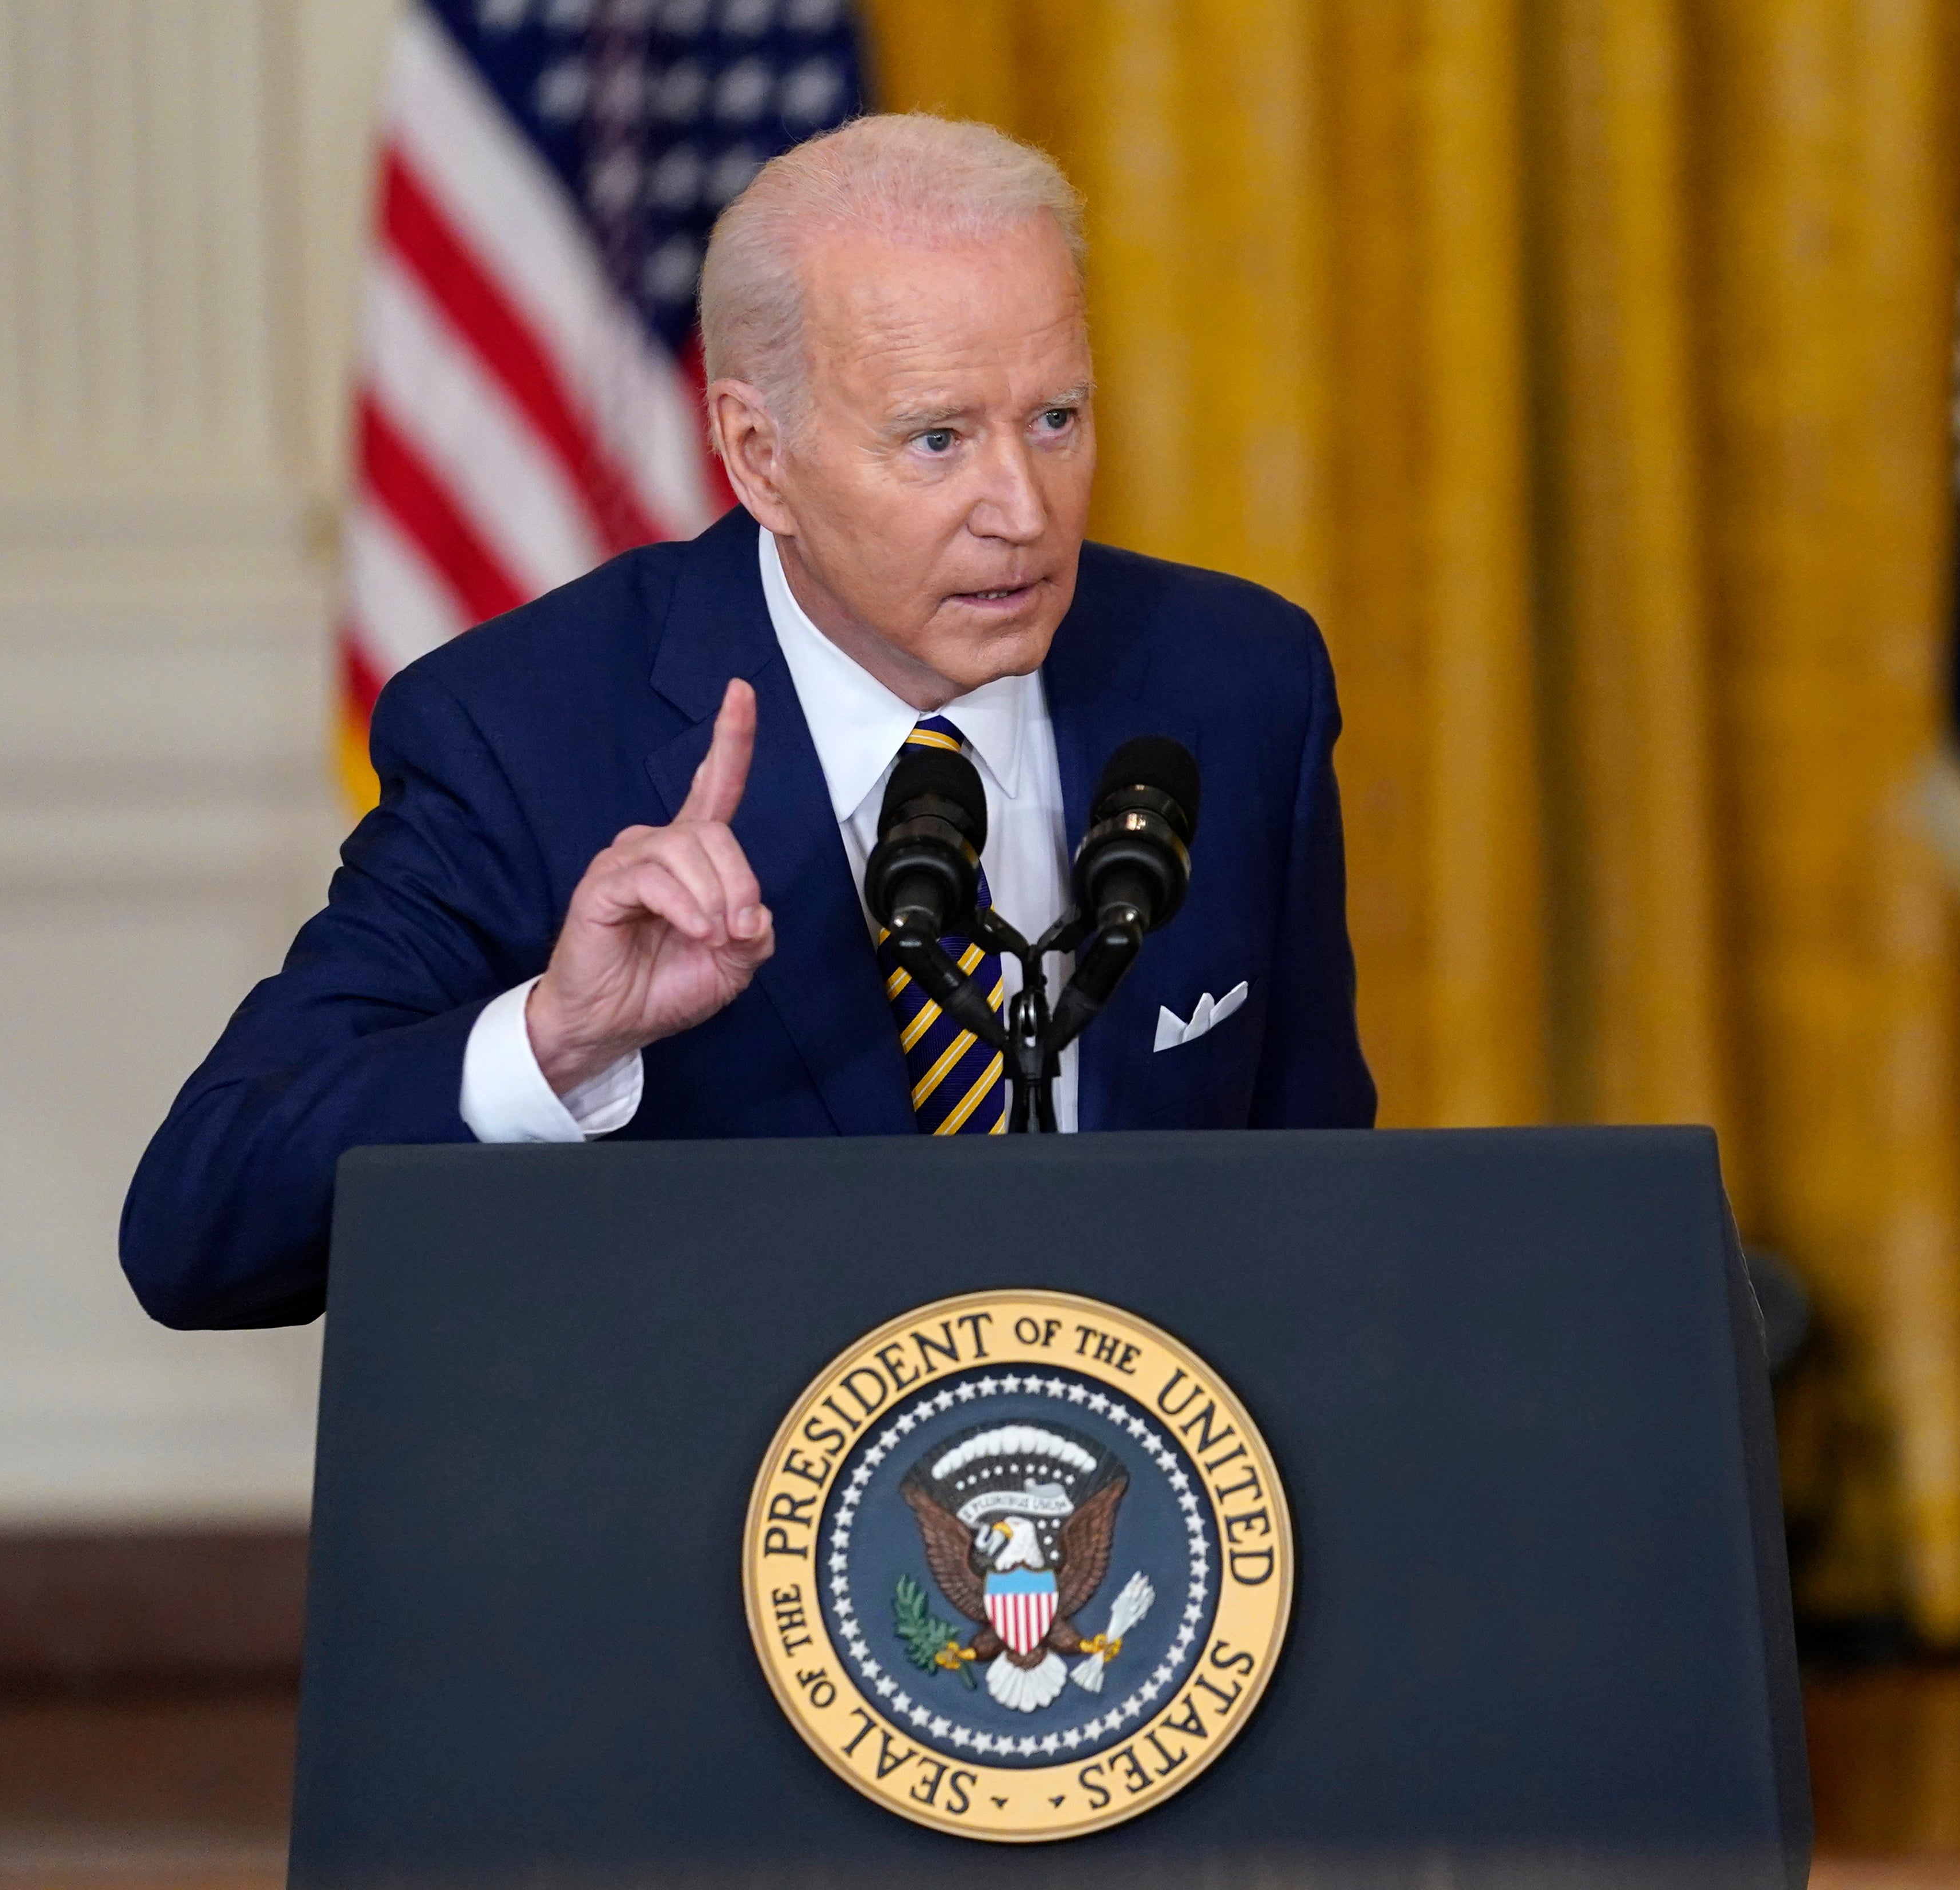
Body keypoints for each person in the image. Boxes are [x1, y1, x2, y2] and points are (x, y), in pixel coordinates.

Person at [122, 115, 1375, 1331]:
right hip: (714, 1520)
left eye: (1056, 418)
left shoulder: (1235, 680)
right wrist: (556, 1041)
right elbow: (199, 1227)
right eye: (937, 439)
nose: (1023, 508)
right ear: (757, 453)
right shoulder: (524, 736)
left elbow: (1317, 1202)